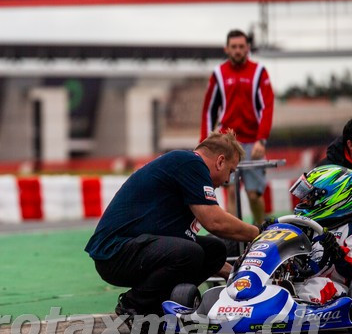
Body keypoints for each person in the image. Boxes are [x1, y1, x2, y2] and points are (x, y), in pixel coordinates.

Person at [85, 130, 260, 318]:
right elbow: (214, 221)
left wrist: (234, 274)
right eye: (230, 171)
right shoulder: (191, 164)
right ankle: (135, 305)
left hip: (135, 247)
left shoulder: (186, 168)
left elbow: (193, 241)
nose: (227, 180)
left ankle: (161, 303)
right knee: (190, 253)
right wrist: (259, 234)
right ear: (220, 161)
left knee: (214, 251)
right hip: (115, 253)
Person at [200, 29, 274, 226]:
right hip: (227, 143)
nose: (238, 50)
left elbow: (267, 106)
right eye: (234, 47)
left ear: (247, 48)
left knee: (254, 194)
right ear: (227, 48)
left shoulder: (259, 72)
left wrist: (262, 139)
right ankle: (235, 241)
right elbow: (209, 110)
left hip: (253, 142)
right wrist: (204, 144)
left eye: (241, 47)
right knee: (231, 192)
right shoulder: (218, 74)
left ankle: (261, 231)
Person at [289, 164, 352, 304]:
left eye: (309, 197)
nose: (304, 201)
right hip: (299, 283)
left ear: (333, 197)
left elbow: (348, 270)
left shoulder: (348, 229)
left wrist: (336, 252)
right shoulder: (305, 226)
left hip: (333, 287)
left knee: (313, 289)